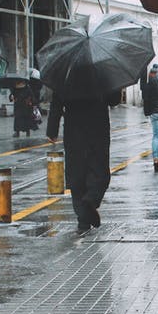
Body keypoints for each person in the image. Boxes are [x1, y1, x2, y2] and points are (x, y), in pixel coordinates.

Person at [46, 89, 113, 236]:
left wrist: (52, 130)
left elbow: (56, 104)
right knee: (99, 171)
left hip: (73, 128)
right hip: (98, 127)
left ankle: (83, 222)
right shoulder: (102, 73)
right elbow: (113, 100)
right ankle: (91, 199)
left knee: (77, 173)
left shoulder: (65, 76)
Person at [139, 62, 158, 172]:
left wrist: (148, 111)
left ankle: (156, 160)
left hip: (156, 112)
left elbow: (148, 96)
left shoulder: (154, 79)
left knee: (157, 137)